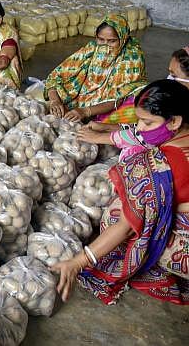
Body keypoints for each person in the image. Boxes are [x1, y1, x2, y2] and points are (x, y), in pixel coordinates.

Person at [51, 80, 189, 306]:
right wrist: (105, 129)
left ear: (174, 121)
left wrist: (78, 262)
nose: (140, 128)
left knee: (115, 214)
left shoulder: (161, 165)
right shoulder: (182, 132)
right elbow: (139, 134)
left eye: (147, 122)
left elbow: (125, 226)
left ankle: (168, 266)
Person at [78, 47, 189, 161]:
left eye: (174, 76)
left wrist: (100, 137)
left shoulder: (177, 152)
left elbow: (146, 136)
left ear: (176, 121)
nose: (169, 79)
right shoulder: (173, 107)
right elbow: (143, 129)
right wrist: (107, 127)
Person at [46, 14, 148, 123]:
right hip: (80, 102)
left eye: (112, 41)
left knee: (137, 103)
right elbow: (56, 76)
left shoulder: (132, 57)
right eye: (101, 39)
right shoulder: (91, 48)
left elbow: (118, 98)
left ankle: (100, 123)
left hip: (109, 106)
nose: (105, 45)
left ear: (123, 39)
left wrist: (85, 111)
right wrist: (55, 101)